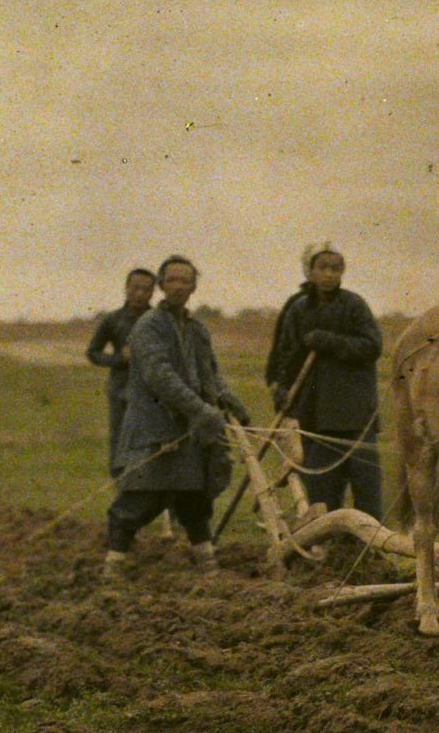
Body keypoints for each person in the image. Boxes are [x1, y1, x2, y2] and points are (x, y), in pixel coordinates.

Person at [105, 254, 250, 576]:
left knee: (194, 498)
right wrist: (200, 410)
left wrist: (232, 404)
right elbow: (161, 377)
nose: (178, 286)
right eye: (172, 279)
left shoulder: (197, 329)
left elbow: (209, 374)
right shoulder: (148, 327)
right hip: (154, 429)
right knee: (141, 500)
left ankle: (207, 563)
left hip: (191, 432)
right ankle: (113, 567)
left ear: (194, 286)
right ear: (161, 285)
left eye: (186, 280)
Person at [266, 241, 385, 519]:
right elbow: (286, 357)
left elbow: (372, 346)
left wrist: (329, 341)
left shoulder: (354, 305)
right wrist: (282, 390)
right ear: (309, 272)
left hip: (355, 414)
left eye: (336, 268)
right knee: (321, 490)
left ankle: (371, 551)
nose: (330, 274)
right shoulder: (298, 310)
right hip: (315, 416)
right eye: (323, 268)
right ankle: (326, 547)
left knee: (366, 489)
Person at [86, 267, 156, 474]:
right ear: (126, 288)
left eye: (146, 289)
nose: (140, 294)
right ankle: (121, 489)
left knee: (152, 441)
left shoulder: (159, 319)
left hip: (154, 392)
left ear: (153, 292)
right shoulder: (112, 320)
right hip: (121, 390)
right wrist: (120, 359)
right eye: (135, 288)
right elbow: (93, 352)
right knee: (120, 440)